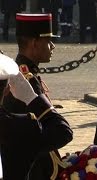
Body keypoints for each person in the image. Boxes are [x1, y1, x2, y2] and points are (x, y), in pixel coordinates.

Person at [2, 13, 73, 179]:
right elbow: (55, 131)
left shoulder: (22, 71)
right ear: (34, 43)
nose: (53, 46)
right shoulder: (25, 79)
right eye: (48, 41)